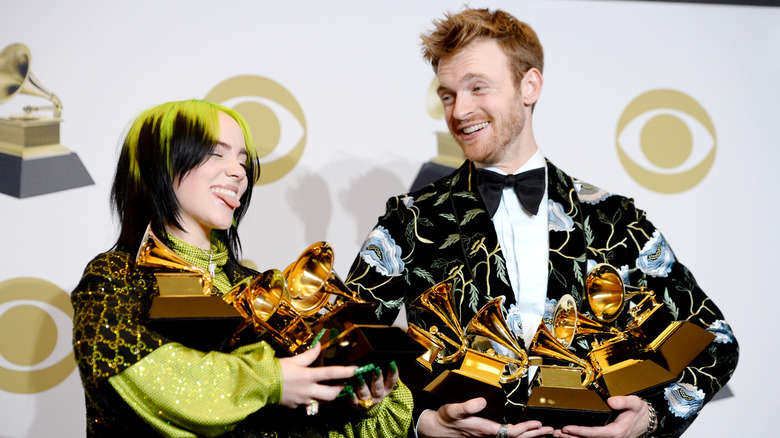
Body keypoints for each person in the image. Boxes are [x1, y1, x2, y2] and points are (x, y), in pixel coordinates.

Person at [345, 8, 738, 438]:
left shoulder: (614, 219)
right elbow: (347, 355)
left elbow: (714, 341)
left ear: (529, 86)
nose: (460, 111)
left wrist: (650, 418)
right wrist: (422, 425)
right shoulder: (410, 221)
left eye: (478, 87)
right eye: (448, 95)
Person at [71, 99, 413, 437]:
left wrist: (350, 401)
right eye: (216, 153)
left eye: (242, 159)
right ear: (159, 165)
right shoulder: (115, 276)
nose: (238, 171)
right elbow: (153, 378)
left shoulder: (254, 285)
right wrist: (271, 380)